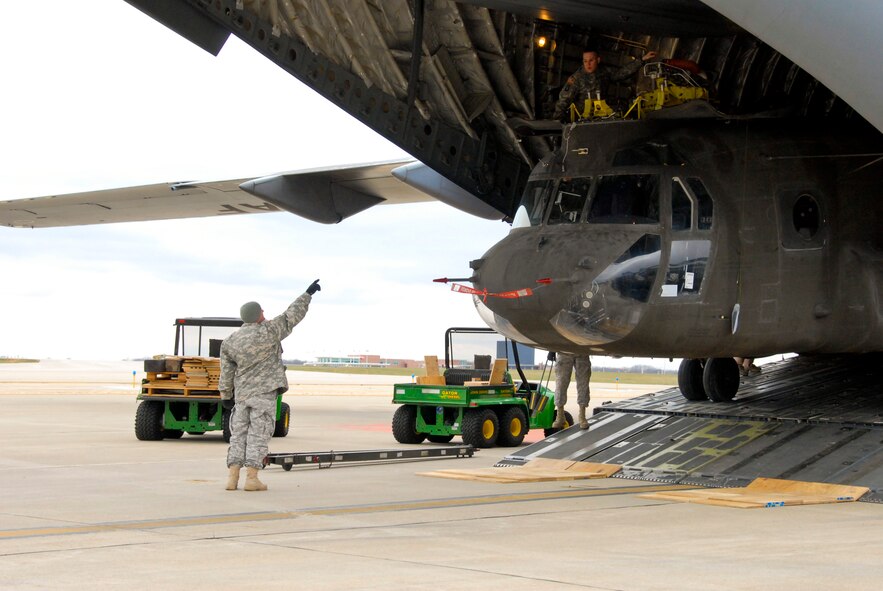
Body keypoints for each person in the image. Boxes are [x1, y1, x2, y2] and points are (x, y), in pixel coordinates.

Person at [220, 279, 321, 491]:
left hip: (242, 396)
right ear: (258, 314)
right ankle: (252, 479)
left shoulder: (230, 341)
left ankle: (232, 477)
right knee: (258, 435)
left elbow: (226, 371)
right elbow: (291, 316)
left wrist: (225, 395)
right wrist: (307, 294)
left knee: (238, 436)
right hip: (263, 395)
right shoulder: (269, 331)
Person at [553, 47, 658, 122]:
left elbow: (621, 73)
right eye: (585, 61)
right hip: (582, 119)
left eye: (591, 60)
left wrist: (642, 60)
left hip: (603, 114)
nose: (588, 64)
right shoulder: (576, 78)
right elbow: (563, 101)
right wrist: (557, 126)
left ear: (598, 60)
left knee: (625, 107)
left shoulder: (603, 72)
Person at [552, 352, 592, 430]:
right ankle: (560, 415)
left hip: (582, 350)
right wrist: (551, 350)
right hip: (564, 350)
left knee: (583, 384)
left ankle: (582, 416)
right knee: (561, 383)